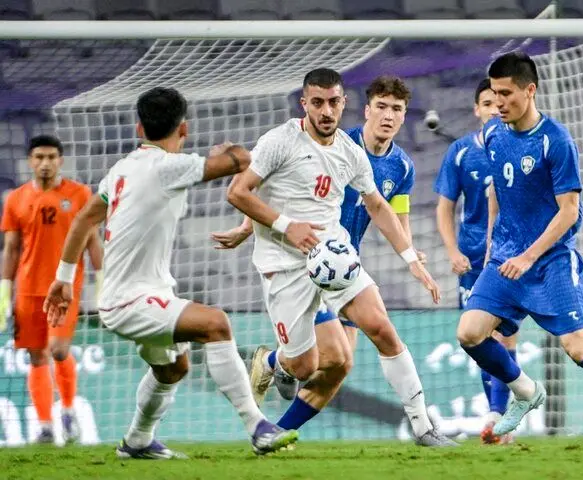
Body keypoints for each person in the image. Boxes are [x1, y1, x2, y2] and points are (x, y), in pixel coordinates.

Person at [44, 87, 298, 458]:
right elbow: (240, 160)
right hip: (129, 300)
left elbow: (84, 219)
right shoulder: (170, 167)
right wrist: (227, 151)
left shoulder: (121, 169)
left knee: (173, 369)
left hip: (139, 293)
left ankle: (137, 441)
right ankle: (257, 426)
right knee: (215, 324)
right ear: (184, 129)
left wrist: (64, 278)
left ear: (138, 128)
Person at [225, 68, 454, 446]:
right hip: (289, 266)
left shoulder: (385, 162)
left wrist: (411, 258)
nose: (326, 110)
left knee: (376, 334)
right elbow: (257, 190)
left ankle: (423, 428)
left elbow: (384, 208)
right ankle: (275, 362)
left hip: (339, 260)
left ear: (344, 103)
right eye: (318, 102)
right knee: (317, 363)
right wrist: (251, 227)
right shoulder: (285, 141)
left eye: (333, 102)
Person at [456, 52, 583, 443]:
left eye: (506, 93)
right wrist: (493, 251)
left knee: (578, 348)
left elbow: (569, 212)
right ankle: (525, 392)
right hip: (505, 258)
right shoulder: (494, 135)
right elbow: (498, 194)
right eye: (494, 94)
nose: (498, 103)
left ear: (530, 90)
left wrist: (528, 255)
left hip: (550, 261)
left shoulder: (556, 140)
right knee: (469, 332)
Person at [0, 135, 103, 444]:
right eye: (39, 157)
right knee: (36, 357)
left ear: (61, 160)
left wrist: (102, 281)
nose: (45, 163)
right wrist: (5, 290)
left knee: (58, 350)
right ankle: (45, 425)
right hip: (28, 290)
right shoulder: (15, 199)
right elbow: (11, 249)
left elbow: (92, 240)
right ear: (30, 161)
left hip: (65, 289)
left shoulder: (80, 194)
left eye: (51, 157)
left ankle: (68, 410)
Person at [434, 78, 517, 444]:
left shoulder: (522, 148)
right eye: (486, 103)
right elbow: (444, 208)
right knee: (480, 340)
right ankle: (500, 416)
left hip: (509, 256)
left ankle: (499, 416)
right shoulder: (461, 152)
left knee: (503, 337)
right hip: (471, 260)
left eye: (498, 102)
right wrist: (452, 251)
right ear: (476, 109)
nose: (493, 109)